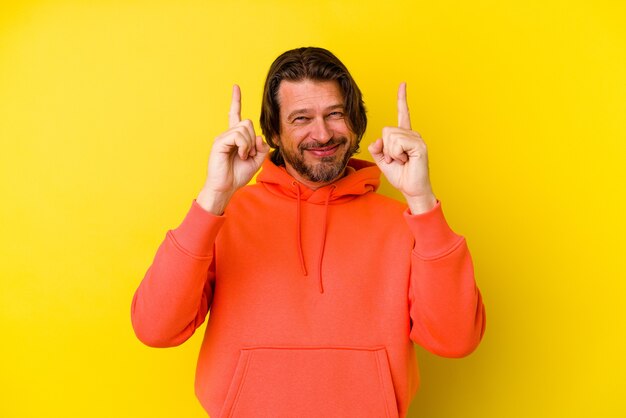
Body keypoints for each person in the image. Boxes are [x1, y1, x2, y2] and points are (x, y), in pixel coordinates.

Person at [131, 46, 485, 418]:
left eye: (335, 114)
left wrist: (422, 199)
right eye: (301, 119)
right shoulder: (222, 216)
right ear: (274, 133)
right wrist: (214, 196)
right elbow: (156, 329)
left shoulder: (406, 221)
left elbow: (456, 340)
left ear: (355, 122)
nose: (323, 133)